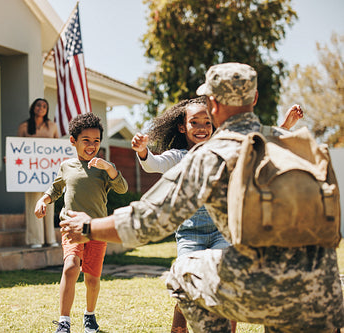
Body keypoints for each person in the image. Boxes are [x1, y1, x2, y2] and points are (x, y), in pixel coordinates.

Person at [60, 63, 344, 332]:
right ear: (255, 98)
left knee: (184, 273)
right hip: (326, 293)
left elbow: (149, 220)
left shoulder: (212, 155)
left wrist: (88, 227)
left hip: (266, 291)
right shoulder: (291, 143)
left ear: (214, 105)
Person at [132, 99, 302, 333]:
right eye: (195, 122)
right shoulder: (178, 156)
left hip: (222, 231)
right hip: (190, 234)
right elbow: (153, 164)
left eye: (207, 122)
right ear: (183, 127)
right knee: (187, 287)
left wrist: (285, 125)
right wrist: (143, 150)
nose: (202, 128)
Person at [34, 113, 128, 333]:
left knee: (92, 279)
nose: (92, 146)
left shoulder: (104, 168)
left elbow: (122, 188)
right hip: (71, 226)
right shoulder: (67, 166)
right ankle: (64, 321)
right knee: (70, 267)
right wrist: (43, 200)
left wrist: (109, 168)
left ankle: (89, 315)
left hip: (97, 229)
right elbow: (55, 190)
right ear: (73, 141)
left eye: (96, 141)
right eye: (86, 140)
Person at [18, 98, 59, 248]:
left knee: (49, 202)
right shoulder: (24, 127)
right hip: (31, 173)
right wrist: (10, 159)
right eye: (38, 105)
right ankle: (36, 239)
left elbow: (57, 148)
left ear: (47, 110)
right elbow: (18, 148)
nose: (41, 108)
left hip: (48, 171)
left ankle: (50, 239)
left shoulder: (52, 126)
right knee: (32, 204)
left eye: (44, 106)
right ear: (33, 108)